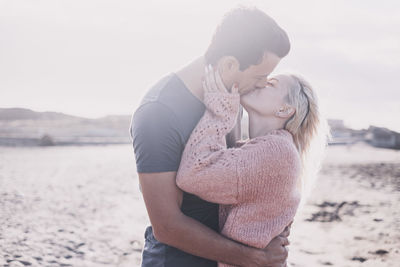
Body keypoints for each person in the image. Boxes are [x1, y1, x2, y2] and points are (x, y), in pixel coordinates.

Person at [130, 7, 291, 267]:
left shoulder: (231, 96)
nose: (263, 84)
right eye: (260, 77)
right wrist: (256, 257)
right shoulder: (158, 112)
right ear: (229, 64)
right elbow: (166, 226)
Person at [176, 67, 325, 267]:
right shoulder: (272, 148)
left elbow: (191, 175)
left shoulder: (274, 150)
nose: (261, 82)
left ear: (284, 110)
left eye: (271, 83)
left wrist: (219, 110)